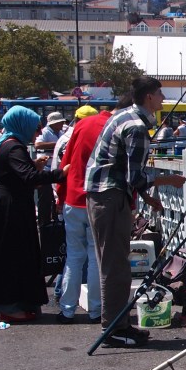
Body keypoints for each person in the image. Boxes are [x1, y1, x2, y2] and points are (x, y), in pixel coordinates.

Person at [85, 76, 186, 348]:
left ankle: (120, 324)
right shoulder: (137, 128)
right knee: (115, 267)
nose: (163, 98)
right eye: (160, 93)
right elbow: (135, 177)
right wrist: (167, 181)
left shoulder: (123, 116)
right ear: (149, 97)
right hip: (110, 198)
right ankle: (113, 328)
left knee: (114, 264)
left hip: (103, 196)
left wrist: (146, 198)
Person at [0, 106, 67, 321]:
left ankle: (11, 304)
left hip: (4, 204)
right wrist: (61, 173)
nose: (36, 133)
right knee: (12, 256)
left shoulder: (7, 144)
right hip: (9, 208)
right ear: (23, 125)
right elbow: (29, 178)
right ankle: (10, 306)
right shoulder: (14, 148)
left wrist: (32, 166)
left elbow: (17, 172)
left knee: (7, 255)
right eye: (34, 128)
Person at [55, 101, 123, 324]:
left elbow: (67, 163)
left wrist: (61, 193)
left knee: (74, 257)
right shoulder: (116, 128)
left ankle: (67, 309)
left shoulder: (83, 126)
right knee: (96, 258)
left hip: (74, 198)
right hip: (100, 200)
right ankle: (95, 310)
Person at [35, 111, 68, 224]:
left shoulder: (61, 132)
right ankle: (43, 222)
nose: (62, 123)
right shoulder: (45, 132)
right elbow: (37, 144)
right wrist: (57, 144)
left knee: (55, 197)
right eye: (60, 122)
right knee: (45, 198)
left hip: (55, 170)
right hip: (45, 169)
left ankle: (55, 220)